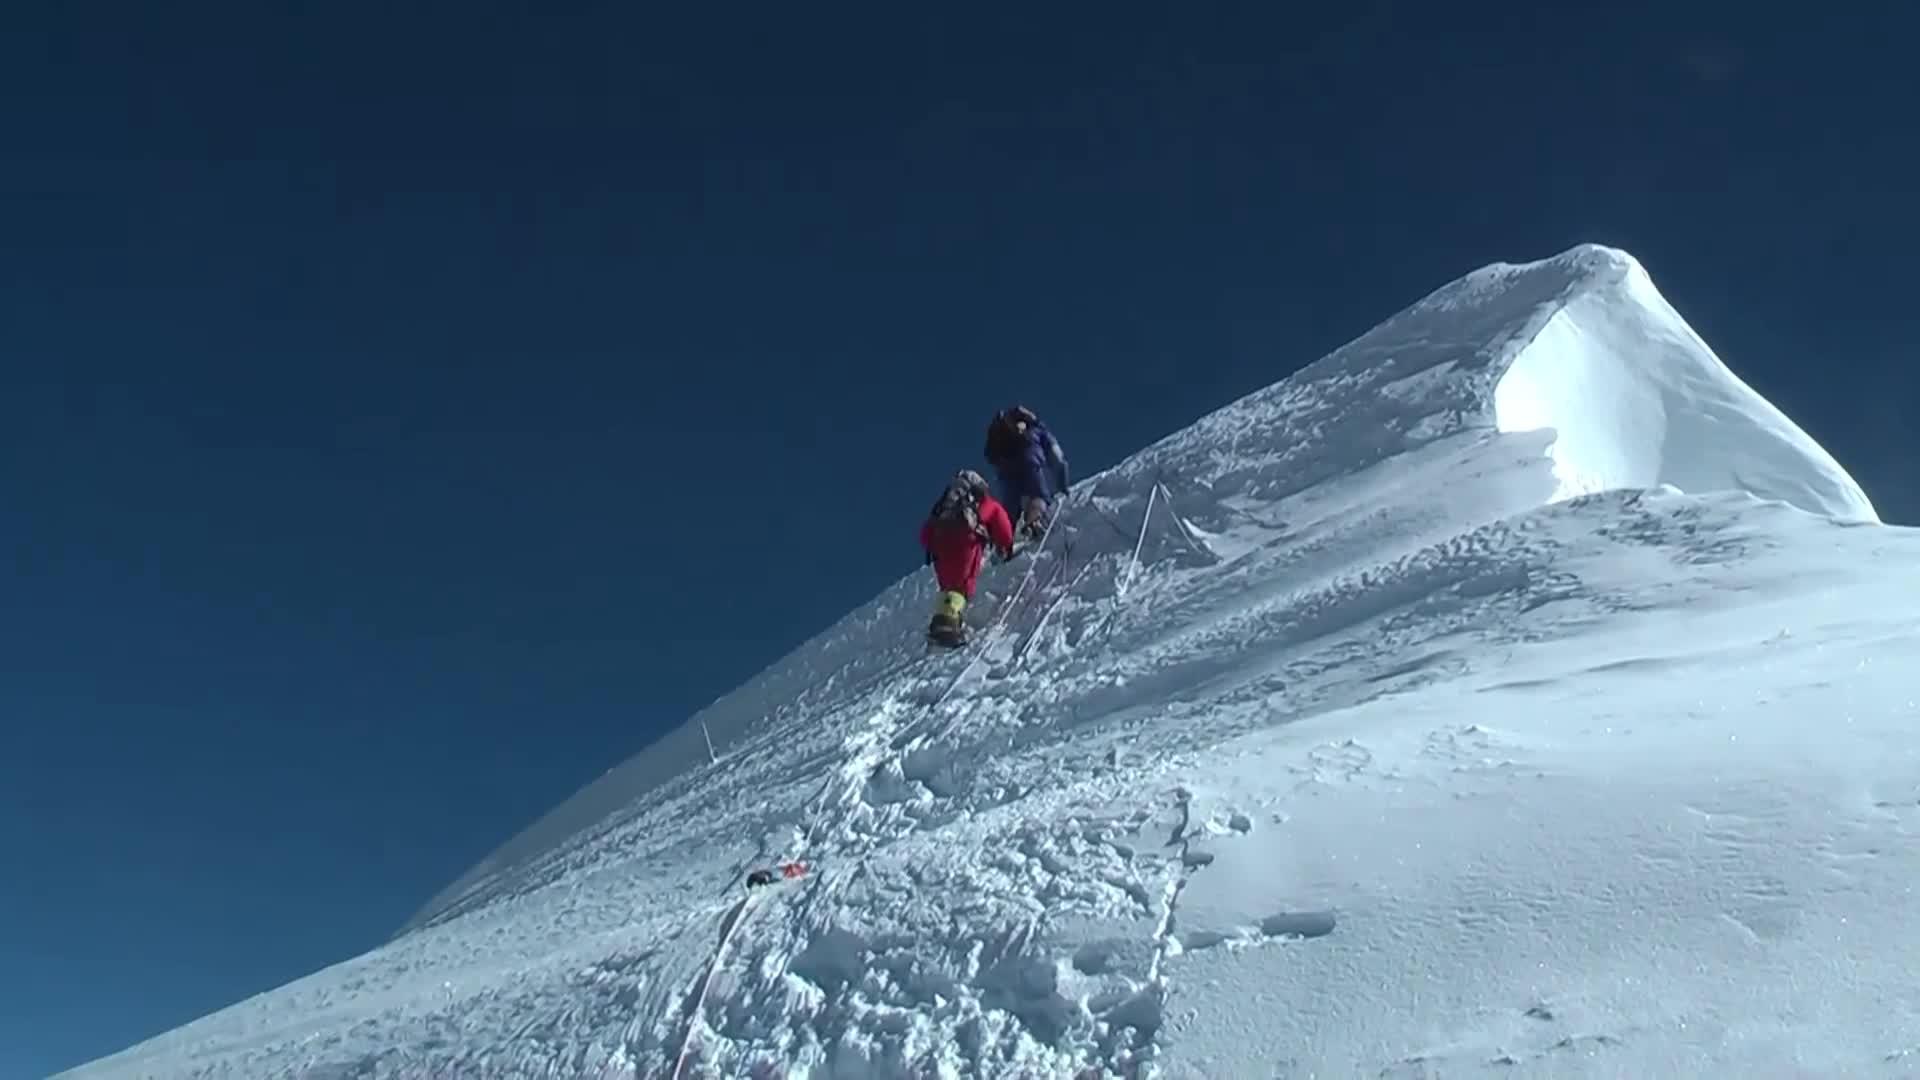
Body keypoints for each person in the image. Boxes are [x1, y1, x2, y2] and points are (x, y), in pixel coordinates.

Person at [919, 469, 1015, 646]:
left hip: (939, 544)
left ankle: (940, 624)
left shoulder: (945, 502)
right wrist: (1006, 545)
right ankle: (948, 629)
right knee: (962, 585)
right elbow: (1002, 526)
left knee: (948, 586)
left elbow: (925, 533)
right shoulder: (985, 502)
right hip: (965, 540)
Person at [983, 405, 1070, 540]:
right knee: (1039, 495)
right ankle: (1033, 523)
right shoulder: (1039, 430)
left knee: (1009, 511)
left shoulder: (1003, 435)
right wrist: (1063, 484)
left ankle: (1002, 544)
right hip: (1030, 464)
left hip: (1006, 471)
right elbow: (1057, 457)